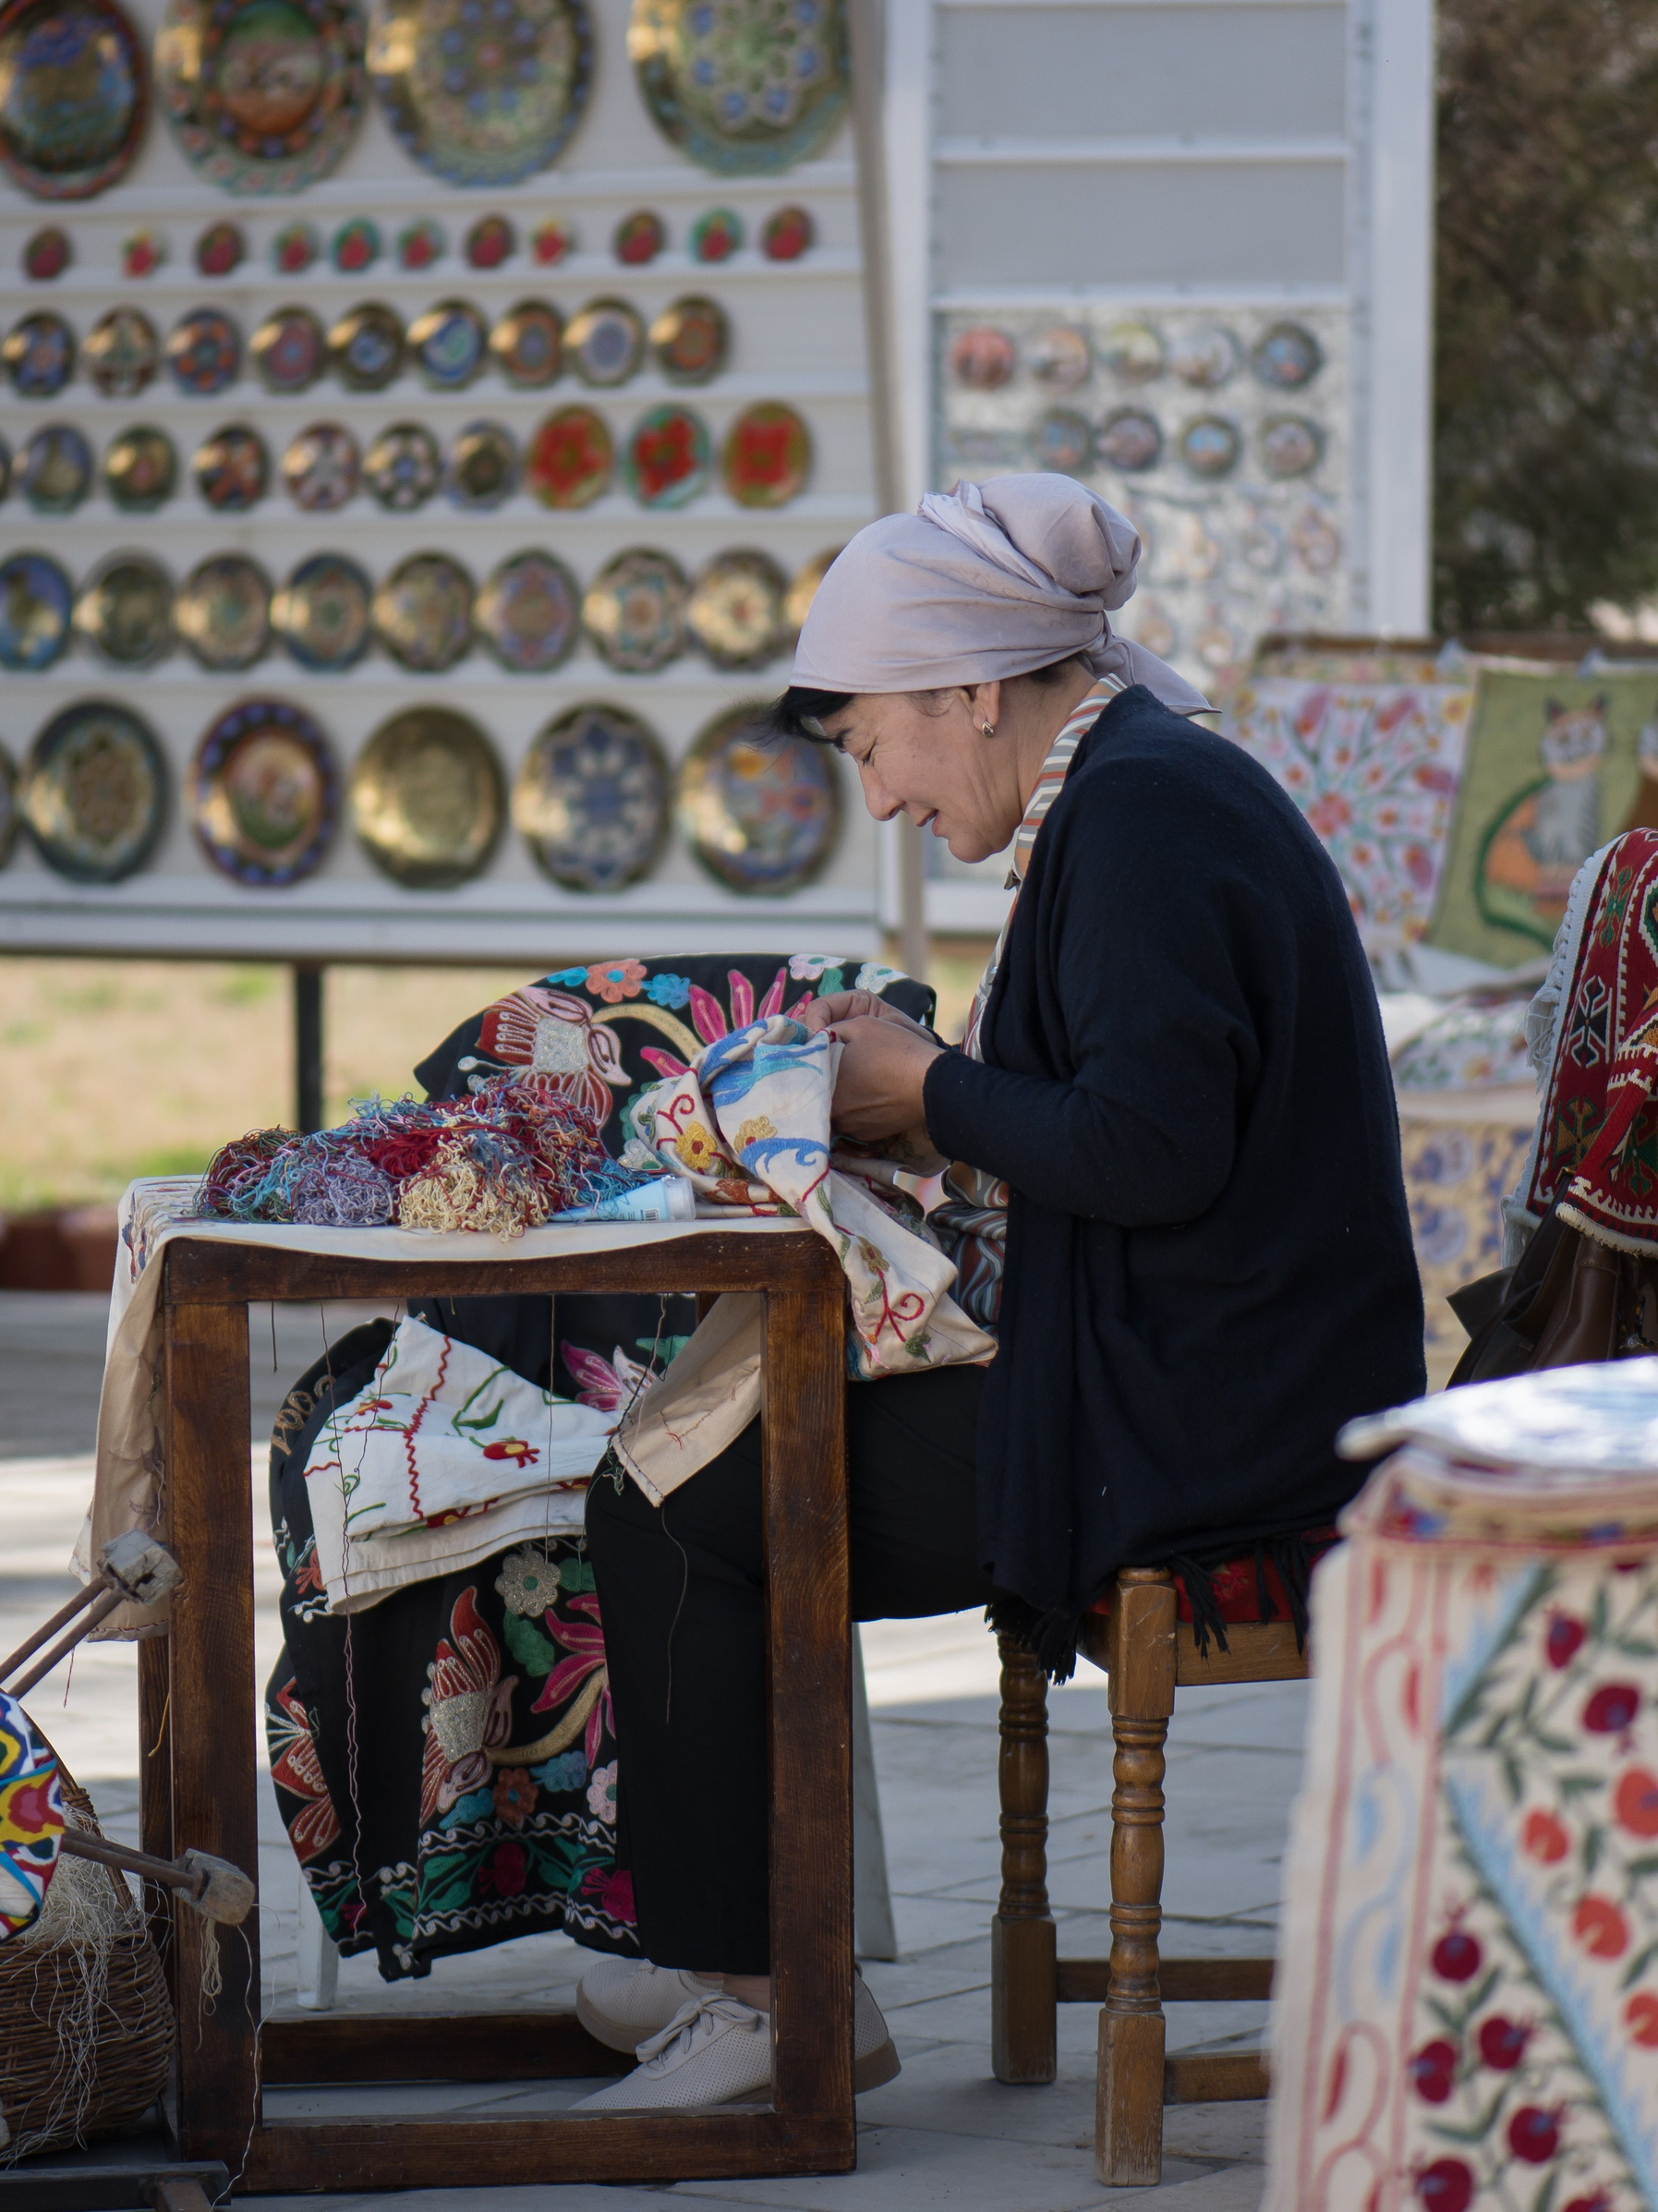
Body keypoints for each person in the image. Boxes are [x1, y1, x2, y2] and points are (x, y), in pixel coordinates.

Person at [571, 473, 1426, 2109]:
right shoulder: (1138, 794)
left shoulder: (1148, 819)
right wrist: (916, 1090)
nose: (881, 795)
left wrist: (927, 1091)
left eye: (873, 743)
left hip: (1204, 1421)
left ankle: (762, 1995)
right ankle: (754, 1960)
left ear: (972, 691)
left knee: (683, 1496)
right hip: (1193, 1366)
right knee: (709, 1455)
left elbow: (1152, 1149)